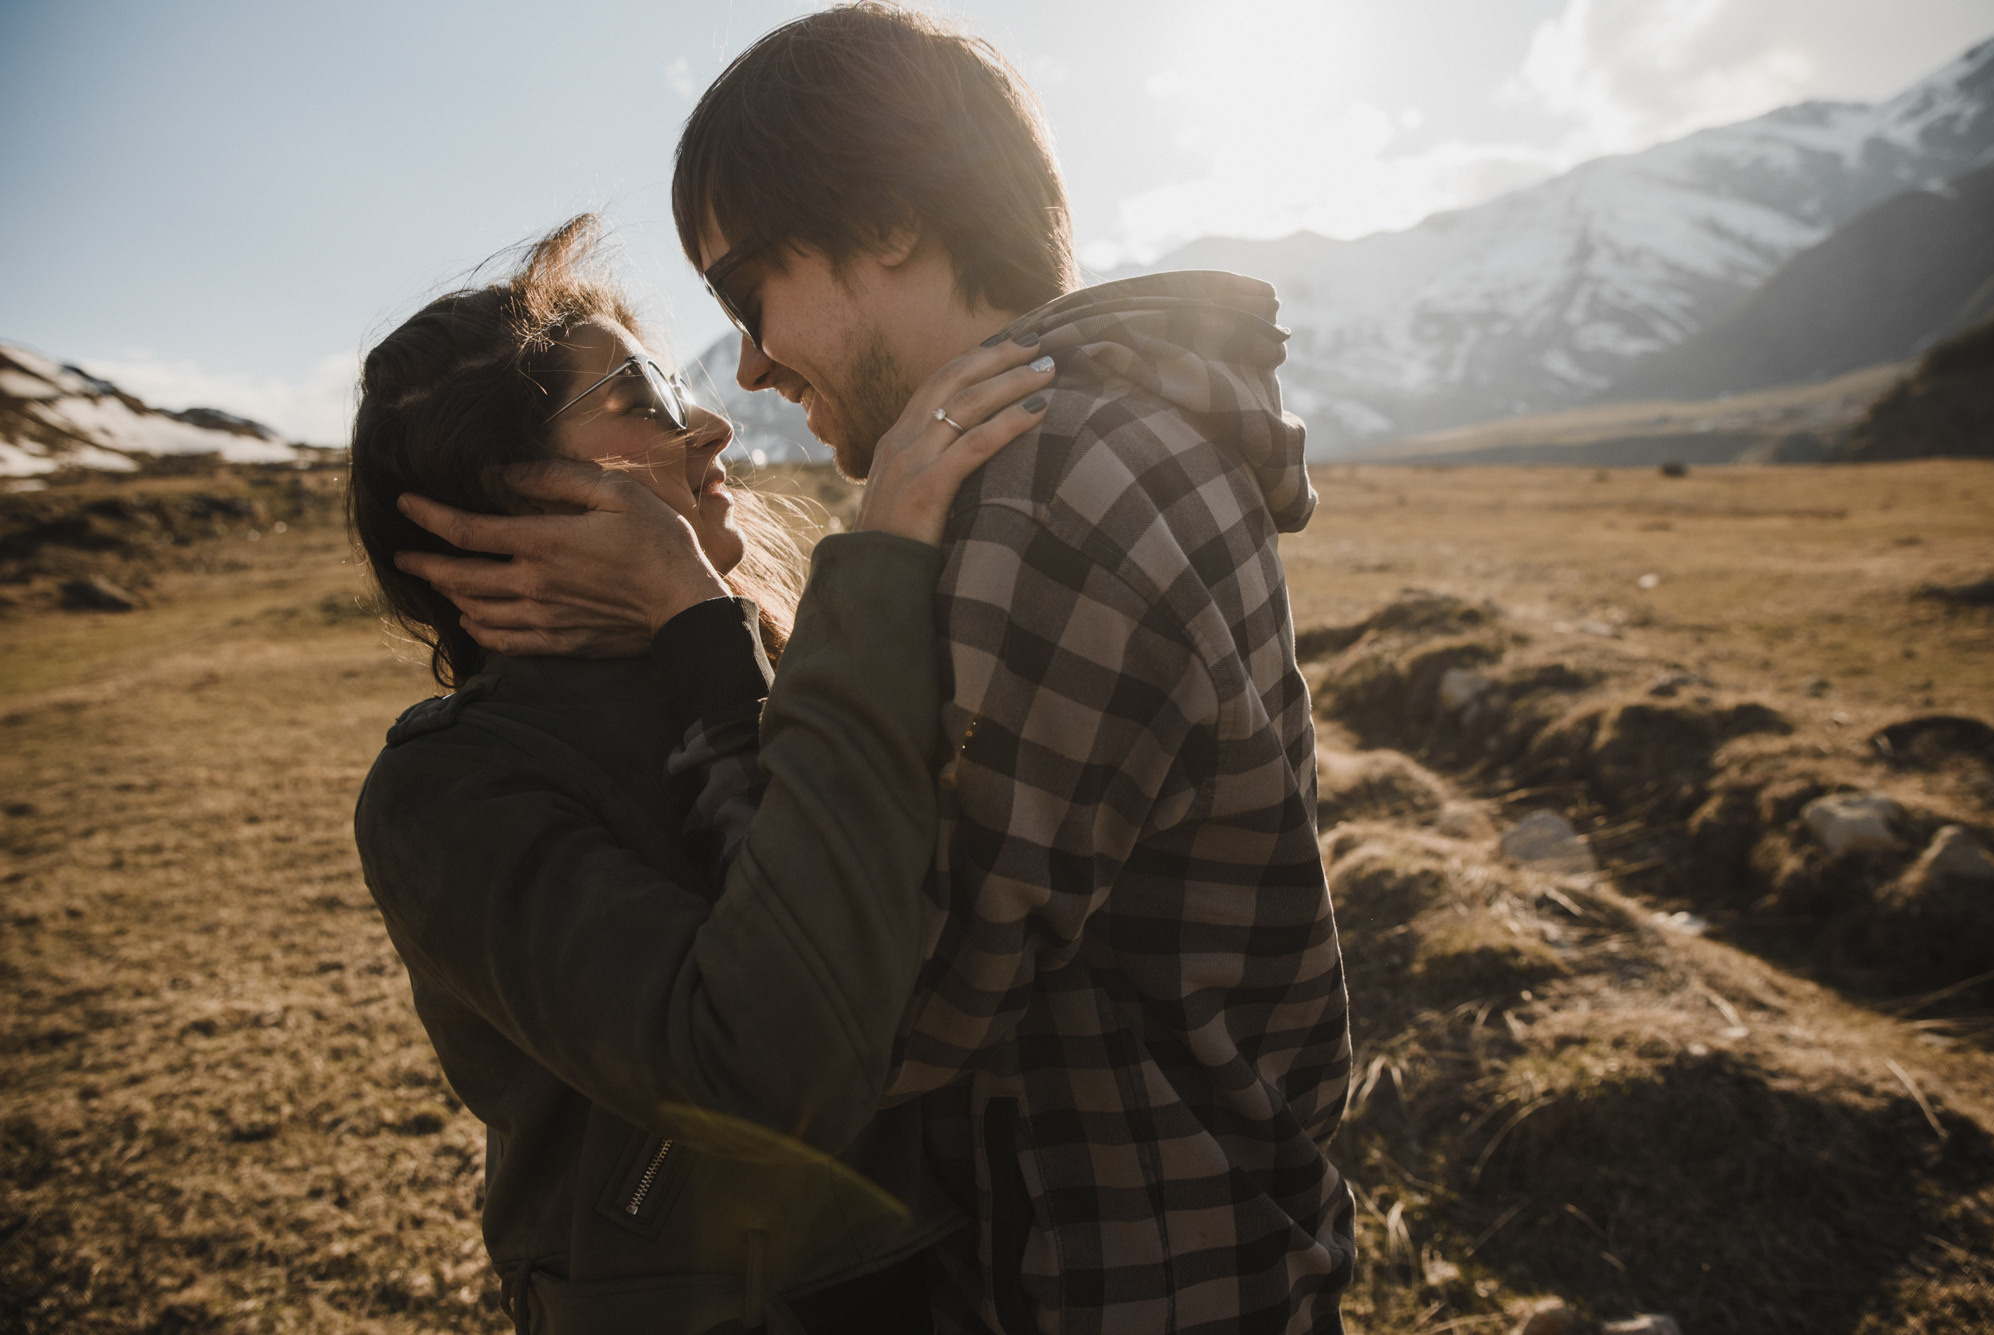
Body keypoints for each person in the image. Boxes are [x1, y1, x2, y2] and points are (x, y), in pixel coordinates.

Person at [402, 5, 1357, 1331]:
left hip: (1123, 1274)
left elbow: (871, 1014)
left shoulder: (1052, 486)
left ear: (892, 222)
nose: (745, 366)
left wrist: (701, 619)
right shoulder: (1066, 453)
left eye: (745, 291)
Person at [350, 215, 1056, 1333]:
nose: (713, 423)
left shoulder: (759, 659)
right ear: (512, 494)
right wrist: (699, 608)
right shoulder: (447, 790)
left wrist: (710, 632)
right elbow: (771, 1068)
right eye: (643, 398)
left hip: (939, 1279)